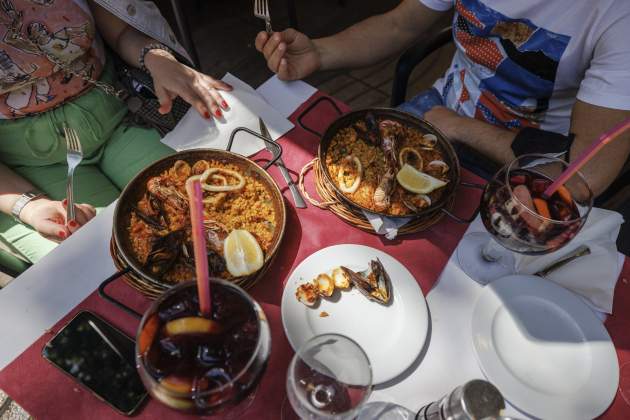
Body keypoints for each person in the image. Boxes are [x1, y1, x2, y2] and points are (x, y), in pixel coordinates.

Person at [255, 0, 630, 198]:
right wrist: (319, 53)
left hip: (532, 161)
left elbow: (583, 176)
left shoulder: (618, 15)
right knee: (339, 193)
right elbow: (399, 24)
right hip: (439, 108)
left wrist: (457, 126)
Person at [0, 0, 232, 267]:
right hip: (28, 170)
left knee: (209, 206)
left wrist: (156, 59)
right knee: (104, 266)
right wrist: (30, 207)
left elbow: (122, 33)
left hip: (120, 115)